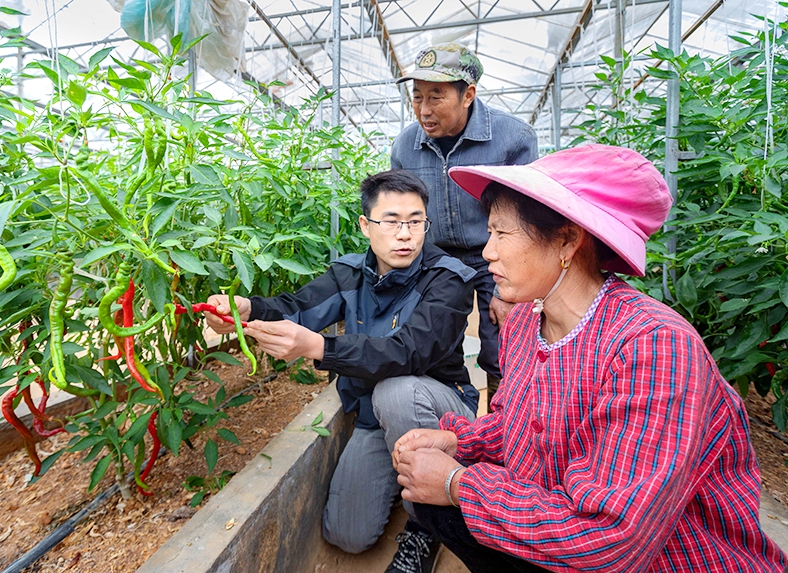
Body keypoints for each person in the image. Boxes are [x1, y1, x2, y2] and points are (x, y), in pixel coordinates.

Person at [391, 144, 788, 572]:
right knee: (433, 505)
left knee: (450, 500)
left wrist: (458, 482)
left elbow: (611, 538)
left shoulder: (653, 347)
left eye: (501, 233)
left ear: (567, 241)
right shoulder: (527, 320)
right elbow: (520, 424)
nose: (488, 251)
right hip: (561, 520)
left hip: (665, 559)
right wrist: (460, 442)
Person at [205, 169, 479, 573]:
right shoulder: (349, 273)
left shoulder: (446, 280)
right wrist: (247, 309)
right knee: (348, 535)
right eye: (391, 221)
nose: (405, 234)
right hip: (373, 415)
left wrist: (318, 346)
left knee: (397, 390)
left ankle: (427, 527)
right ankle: (401, 472)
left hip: (441, 411)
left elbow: (406, 354)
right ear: (366, 226)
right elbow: (298, 307)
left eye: (416, 221)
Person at [391, 42, 538, 404]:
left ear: (468, 94)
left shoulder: (512, 139)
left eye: (436, 97)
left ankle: (504, 429)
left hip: (496, 258)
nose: (424, 110)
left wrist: (511, 292)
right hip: (437, 259)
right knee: (437, 349)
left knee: (504, 349)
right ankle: (456, 426)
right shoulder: (405, 146)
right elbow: (402, 215)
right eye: (417, 97)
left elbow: (525, 220)